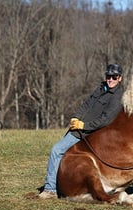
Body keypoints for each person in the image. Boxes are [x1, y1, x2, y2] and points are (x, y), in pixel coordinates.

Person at [39, 64, 124, 199]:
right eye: (108, 76)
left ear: (120, 78)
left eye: (114, 77)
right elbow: (86, 105)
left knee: (56, 150)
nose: (110, 79)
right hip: (78, 129)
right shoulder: (102, 88)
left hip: (88, 133)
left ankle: (50, 189)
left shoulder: (117, 96)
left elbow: (105, 120)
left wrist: (83, 125)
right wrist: (76, 118)